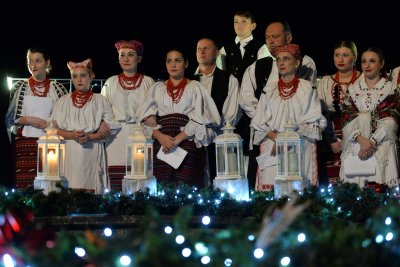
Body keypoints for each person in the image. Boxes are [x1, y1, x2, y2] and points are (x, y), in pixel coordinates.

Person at [240, 20, 318, 190]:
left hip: (297, 136)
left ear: (288, 37)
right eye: (267, 37)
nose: (270, 41)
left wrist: (286, 135)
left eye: (275, 36)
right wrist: (269, 129)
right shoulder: (256, 67)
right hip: (267, 135)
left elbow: (299, 101)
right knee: (266, 183)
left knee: (296, 182)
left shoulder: (305, 62)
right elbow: (247, 100)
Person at [139, 48, 221, 189]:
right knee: (162, 187)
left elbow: (203, 119)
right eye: (169, 61)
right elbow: (145, 121)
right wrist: (160, 136)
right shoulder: (157, 88)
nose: (173, 65)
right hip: (163, 143)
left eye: (178, 61)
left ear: (186, 64)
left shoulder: (195, 87)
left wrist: (177, 139)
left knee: (187, 186)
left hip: (187, 141)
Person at [251, 44, 325, 191]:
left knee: (298, 191)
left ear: (297, 63)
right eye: (278, 60)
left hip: (299, 145)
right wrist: (278, 139)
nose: (281, 63)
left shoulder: (307, 88)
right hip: (273, 145)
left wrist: (288, 140)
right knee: (272, 193)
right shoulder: (269, 90)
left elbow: (313, 122)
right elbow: (258, 122)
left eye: (286, 59)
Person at [50, 59, 121, 193]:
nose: (79, 80)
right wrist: (71, 135)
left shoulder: (100, 100)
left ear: (90, 77)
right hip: (69, 152)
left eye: (83, 75)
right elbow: (52, 129)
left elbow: (112, 127)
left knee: (90, 192)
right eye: (75, 76)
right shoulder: (62, 102)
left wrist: (90, 136)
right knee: (70, 190)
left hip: (92, 150)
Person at [5, 46, 68, 188]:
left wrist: (52, 124)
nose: (33, 66)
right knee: (25, 185)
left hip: (51, 145)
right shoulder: (20, 87)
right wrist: (29, 120)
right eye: (30, 61)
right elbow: (10, 119)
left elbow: (65, 117)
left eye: (38, 61)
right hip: (25, 145)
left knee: (50, 185)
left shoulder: (58, 88)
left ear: (48, 63)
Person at [340, 47, 399, 188]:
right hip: (356, 147)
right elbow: (347, 118)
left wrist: (372, 141)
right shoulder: (353, 90)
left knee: (381, 192)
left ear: (382, 64)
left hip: (381, 146)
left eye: (372, 61)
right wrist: (361, 140)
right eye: (364, 61)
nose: (367, 65)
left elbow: (392, 118)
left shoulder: (391, 89)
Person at [101, 40, 156, 191]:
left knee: (139, 175)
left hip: (140, 134)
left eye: (130, 55)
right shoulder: (111, 82)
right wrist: (102, 122)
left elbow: (155, 106)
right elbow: (102, 108)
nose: (126, 59)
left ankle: (139, 210)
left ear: (139, 59)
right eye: (122, 55)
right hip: (116, 136)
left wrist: (154, 117)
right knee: (115, 177)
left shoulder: (148, 82)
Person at [194, 37, 241, 183]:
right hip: (194, 140)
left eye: (206, 48)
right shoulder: (189, 80)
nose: (202, 51)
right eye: (199, 48)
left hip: (219, 139)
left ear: (216, 53)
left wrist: (212, 129)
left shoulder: (229, 79)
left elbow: (232, 113)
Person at [317, 40, 361, 185]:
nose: (340, 60)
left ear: (354, 57)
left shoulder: (364, 79)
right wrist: (332, 140)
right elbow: (319, 113)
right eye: (337, 55)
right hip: (333, 140)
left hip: (361, 138)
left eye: (345, 55)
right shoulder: (325, 82)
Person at [216, 10, 270, 84]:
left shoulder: (261, 47)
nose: (239, 25)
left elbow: (264, 75)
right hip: (231, 92)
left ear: (253, 26)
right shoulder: (225, 49)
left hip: (253, 92)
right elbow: (220, 74)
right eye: (236, 22)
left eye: (244, 21)